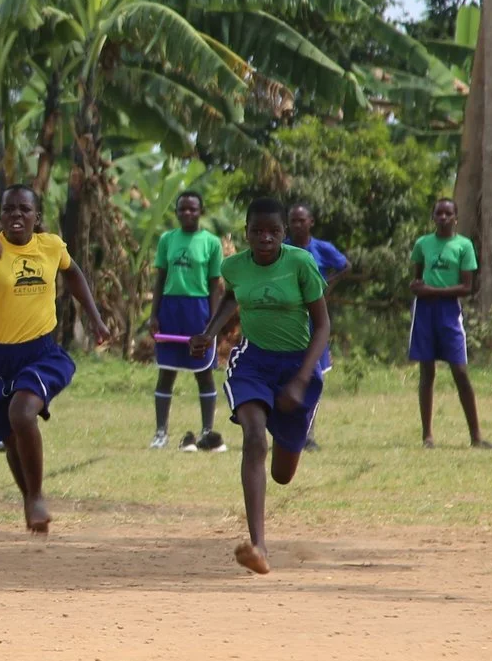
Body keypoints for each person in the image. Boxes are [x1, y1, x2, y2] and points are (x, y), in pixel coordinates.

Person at [0, 183, 107, 533]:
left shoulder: (50, 246)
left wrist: (95, 318)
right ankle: (29, 499)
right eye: (8, 209)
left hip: (41, 353)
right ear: (0, 215)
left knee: (22, 414)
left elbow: (73, 274)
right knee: (10, 439)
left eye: (24, 209)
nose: (16, 215)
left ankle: (36, 497)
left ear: (37, 216)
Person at [190, 197, 329, 575]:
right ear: (247, 233)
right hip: (252, 361)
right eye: (257, 231)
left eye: (273, 231)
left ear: (284, 233)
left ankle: (289, 439)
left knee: (282, 474)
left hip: (298, 365)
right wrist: (209, 333)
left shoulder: (301, 263)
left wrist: (301, 379)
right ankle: (259, 547)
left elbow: (322, 326)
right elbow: (232, 295)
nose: (265, 238)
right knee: (254, 438)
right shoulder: (233, 266)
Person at [148, 190, 225, 452]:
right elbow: (160, 279)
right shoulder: (167, 240)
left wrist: (212, 323)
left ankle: (207, 432)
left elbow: (214, 285)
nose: (187, 213)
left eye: (192, 209)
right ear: (177, 212)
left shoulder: (212, 242)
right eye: (182, 209)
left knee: (203, 373)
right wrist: (154, 314)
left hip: (198, 310)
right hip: (171, 309)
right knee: (166, 372)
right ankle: (161, 433)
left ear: (201, 212)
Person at [409, 197, 488, 448]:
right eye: (438, 213)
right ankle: (427, 435)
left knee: (460, 372)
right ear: (433, 217)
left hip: (449, 311)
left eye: (448, 214)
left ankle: (476, 436)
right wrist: (418, 287)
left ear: (456, 218)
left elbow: (466, 287)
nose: (443, 218)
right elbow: (417, 278)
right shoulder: (422, 244)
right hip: (424, 311)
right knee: (427, 371)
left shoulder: (463, 246)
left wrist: (432, 291)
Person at [284, 202, 349, 448]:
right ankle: (285, 429)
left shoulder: (321, 248)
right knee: (286, 373)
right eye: (293, 220)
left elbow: (345, 266)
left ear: (311, 222)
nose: (297, 225)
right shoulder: (283, 249)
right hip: (289, 319)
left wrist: (326, 285)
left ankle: (308, 432)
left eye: (302, 220)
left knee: (314, 375)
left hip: (315, 319)